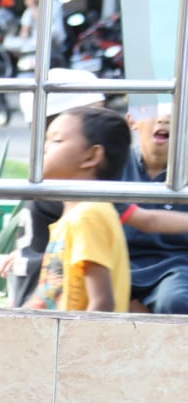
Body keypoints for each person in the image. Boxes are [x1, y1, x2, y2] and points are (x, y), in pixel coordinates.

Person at [23, 106, 132, 312]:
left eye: (57, 141)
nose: (44, 148)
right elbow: (50, 293)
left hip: (75, 340)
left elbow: (102, 303)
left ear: (91, 157)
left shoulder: (89, 215)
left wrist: (78, 344)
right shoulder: (74, 215)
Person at [119, 105, 188, 313]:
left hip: (176, 268)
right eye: (154, 110)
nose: (164, 118)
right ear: (132, 120)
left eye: (174, 111)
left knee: (176, 301)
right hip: (115, 260)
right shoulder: (112, 163)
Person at [18, 0, 67, 66]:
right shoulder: (29, 10)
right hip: (34, 44)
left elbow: (43, 23)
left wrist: (32, 6)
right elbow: (24, 31)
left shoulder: (53, 3)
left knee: (48, 34)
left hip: (53, 40)